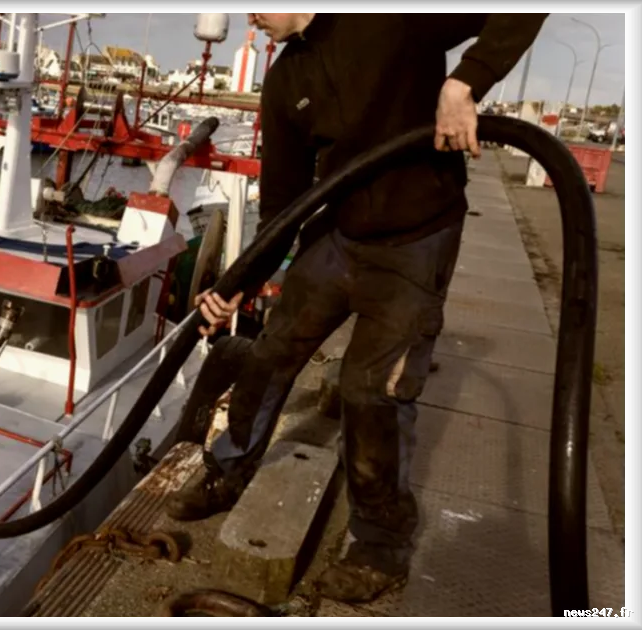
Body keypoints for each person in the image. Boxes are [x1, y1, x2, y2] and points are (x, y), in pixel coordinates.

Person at [164, 13, 548, 603]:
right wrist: (244, 280)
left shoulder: (389, 20)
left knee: (373, 390)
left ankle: (380, 544)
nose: (249, 18)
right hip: (339, 238)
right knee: (271, 351)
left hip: (417, 238)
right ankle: (229, 468)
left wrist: (464, 83)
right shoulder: (285, 80)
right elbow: (283, 205)